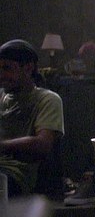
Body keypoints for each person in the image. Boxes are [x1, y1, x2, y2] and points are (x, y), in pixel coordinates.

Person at [0, 39, 64, 197]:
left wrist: (3, 146)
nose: (1, 75)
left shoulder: (47, 100)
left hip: (16, 174)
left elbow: (43, 143)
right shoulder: (1, 96)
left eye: (7, 68)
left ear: (28, 68)